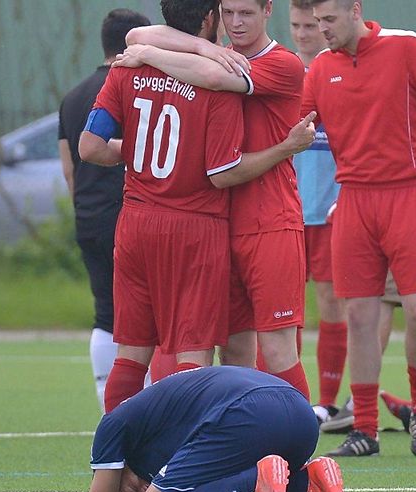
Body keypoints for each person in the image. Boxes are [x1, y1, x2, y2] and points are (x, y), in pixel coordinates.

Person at [79, 0, 316, 413]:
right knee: (232, 352)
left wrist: (149, 56)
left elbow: (205, 78)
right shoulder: (207, 58)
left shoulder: (283, 64)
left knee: (276, 351)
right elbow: (139, 37)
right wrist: (184, 48)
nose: (236, 23)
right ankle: (236, 456)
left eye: (246, 13)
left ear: (267, 11)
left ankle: (296, 457)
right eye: (229, 12)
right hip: (214, 228)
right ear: (214, 15)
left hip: (268, 223)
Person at [301, 0, 416, 457]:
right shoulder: (320, 69)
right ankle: (365, 429)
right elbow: (295, 127)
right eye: (315, 22)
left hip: (412, 193)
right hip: (355, 198)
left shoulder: (405, 47)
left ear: (355, 10)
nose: (322, 30)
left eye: (329, 20)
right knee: (358, 315)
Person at [42, 366, 354, 492]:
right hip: (299, 414)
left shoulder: (113, 427)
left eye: (129, 488)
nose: (141, 490)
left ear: (118, 469)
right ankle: (309, 483)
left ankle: (257, 479)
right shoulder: (159, 436)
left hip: (245, 413)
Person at [58, 8, 162, 412]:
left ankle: (108, 403)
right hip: (134, 214)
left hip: (90, 216)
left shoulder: (74, 96)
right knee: (148, 317)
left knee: (105, 312)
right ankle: (150, 405)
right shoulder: (139, 86)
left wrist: (83, 208)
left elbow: (69, 168)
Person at [289, 0, 348, 425]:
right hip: (287, 209)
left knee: (331, 302)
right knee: (284, 308)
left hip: (329, 210)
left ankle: (327, 402)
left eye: (311, 24)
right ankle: (286, 401)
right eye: (297, 25)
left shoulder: (338, 71)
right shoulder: (285, 71)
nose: (305, 33)